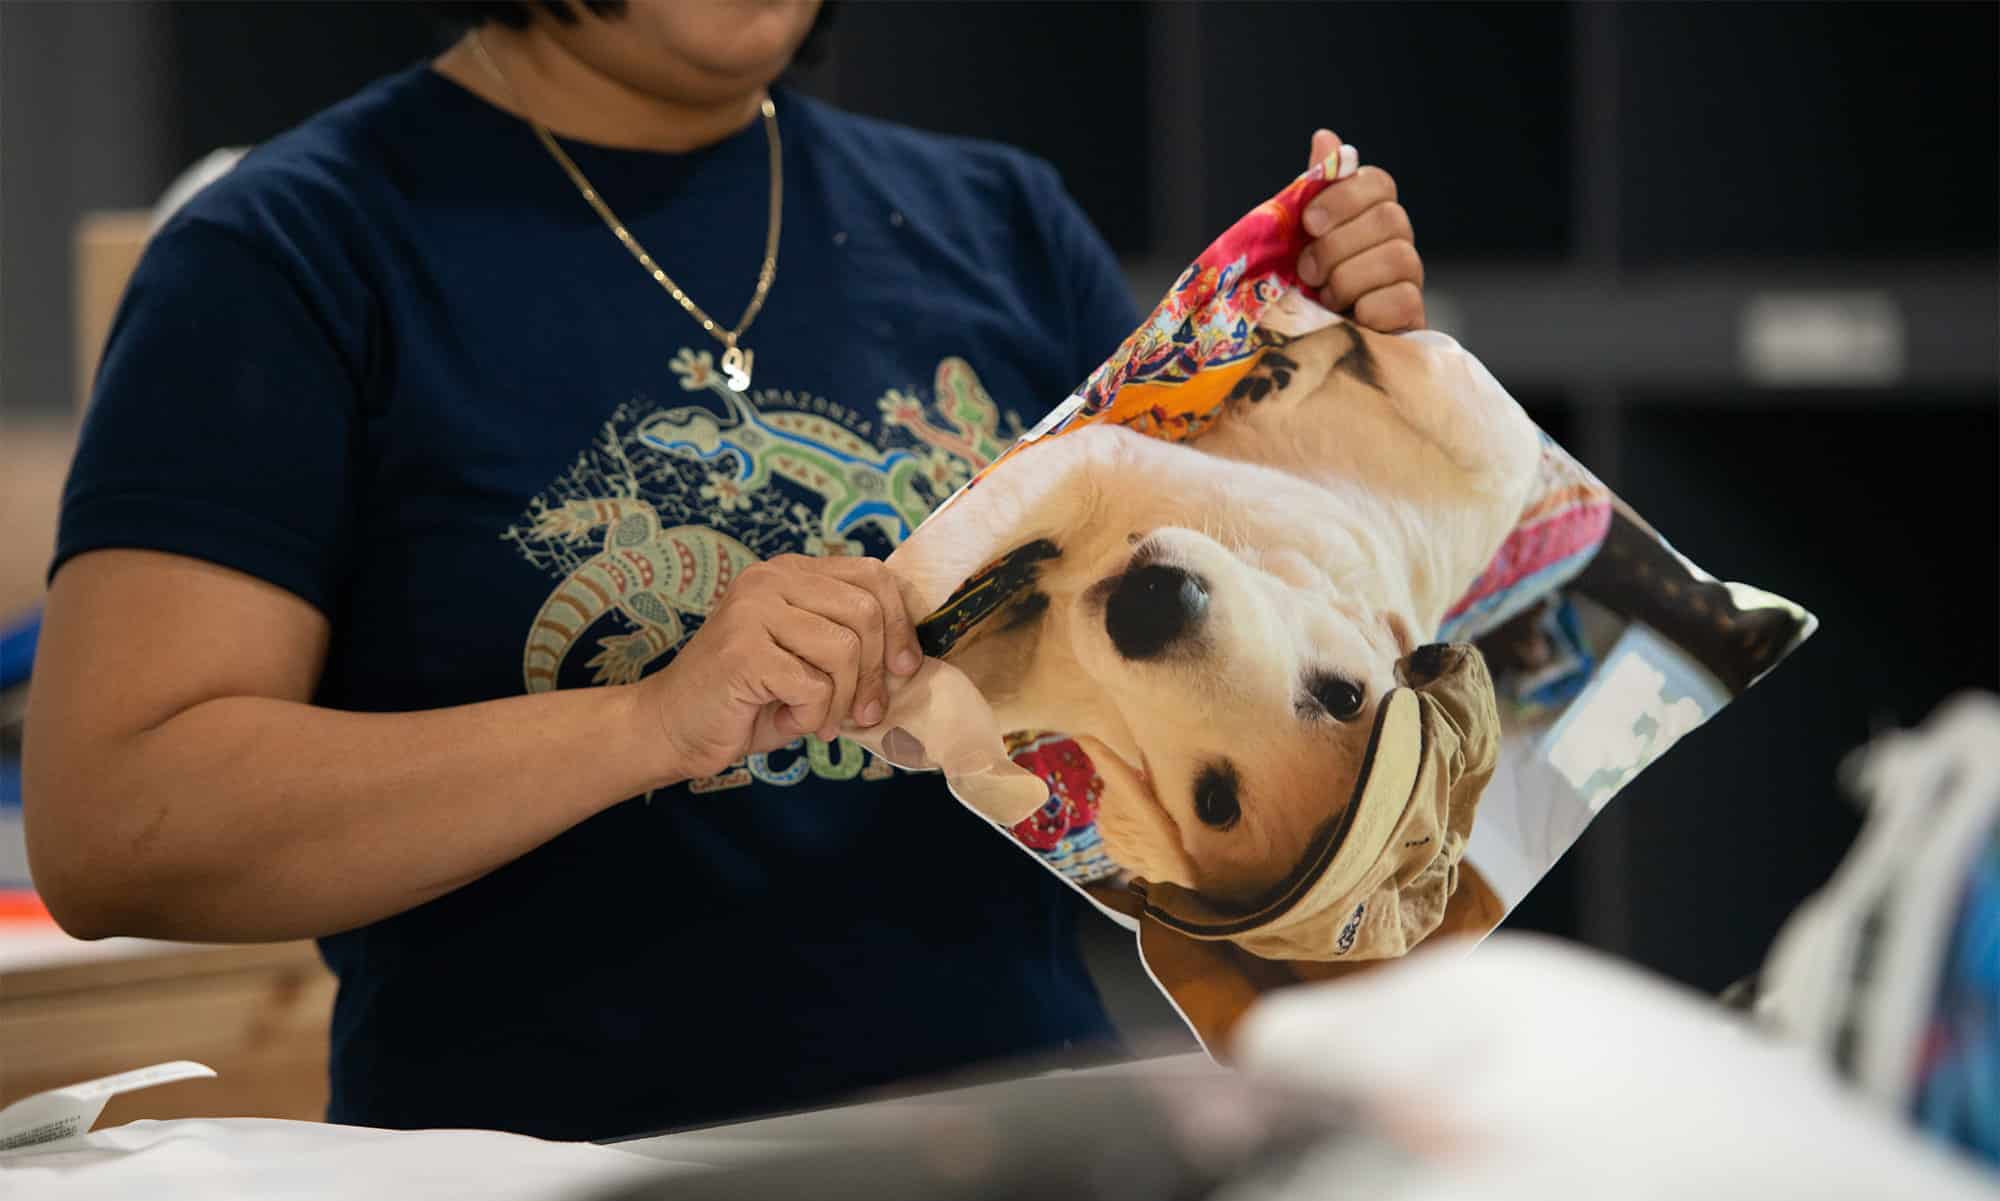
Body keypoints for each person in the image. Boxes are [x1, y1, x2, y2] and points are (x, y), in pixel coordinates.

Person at [23, 0, 1428, 1140]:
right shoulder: (289, 251)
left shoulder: (999, 219)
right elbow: (123, 827)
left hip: (1012, 1167)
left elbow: (1224, 717)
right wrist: (642, 725)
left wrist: (1325, 387)